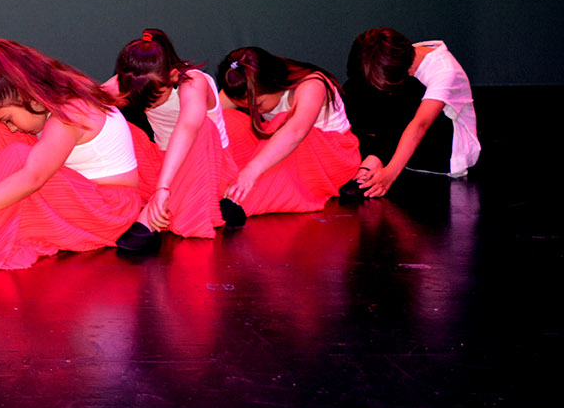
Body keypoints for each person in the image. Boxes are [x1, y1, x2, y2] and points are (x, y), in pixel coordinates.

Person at [0, 39, 143, 270]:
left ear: (27, 95)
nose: (11, 127)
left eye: (9, 118)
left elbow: (34, 177)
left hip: (107, 211)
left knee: (19, 158)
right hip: (81, 192)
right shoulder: (55, 96)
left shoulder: (69, 113)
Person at [104, 29, 235, 249]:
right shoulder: (133, 79)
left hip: (208, 167)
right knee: (116, 124)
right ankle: (155, 205)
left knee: (204, 126)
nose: (149, 106)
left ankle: (151, 218)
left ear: (173, 76)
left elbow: (187, 128)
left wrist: (163, 188)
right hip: (163, 163)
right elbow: (89, 100)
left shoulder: (193, 81)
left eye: (154, 98)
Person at [216, 47, 360, 220]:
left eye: (258, 105)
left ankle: (238, 203)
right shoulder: (245, 84)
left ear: (273, 83)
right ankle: (219, 187)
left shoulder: (312, 85)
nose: (252, 109)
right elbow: (207, 115)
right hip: (278, 141)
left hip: (332, 157)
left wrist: (251, 171)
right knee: (226, 119)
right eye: (245, 105)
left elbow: (295, 132)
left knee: (282, 123)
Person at [344, 28, 480, 196]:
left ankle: (377, 157)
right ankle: (374, 156)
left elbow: (420, 125)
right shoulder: (398, 57)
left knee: (409, 90)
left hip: (443, 153)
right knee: (356, 88)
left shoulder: (444, 70)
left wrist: (389, 176)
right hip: (402, 142)